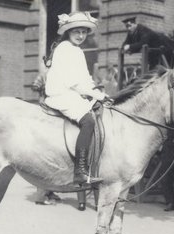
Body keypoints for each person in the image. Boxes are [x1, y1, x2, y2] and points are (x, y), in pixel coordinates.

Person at [45, 11, 107, 185]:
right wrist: (97, 95)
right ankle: (80, 170)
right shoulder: (64, 48)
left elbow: (85, 78)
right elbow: (73, 82)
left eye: (84, 32)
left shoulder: (77, 51)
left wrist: (100, 93)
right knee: (88, 121)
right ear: (68, 32)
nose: (80, 35)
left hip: (71, 93)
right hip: (61, 93)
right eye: (76, 32)